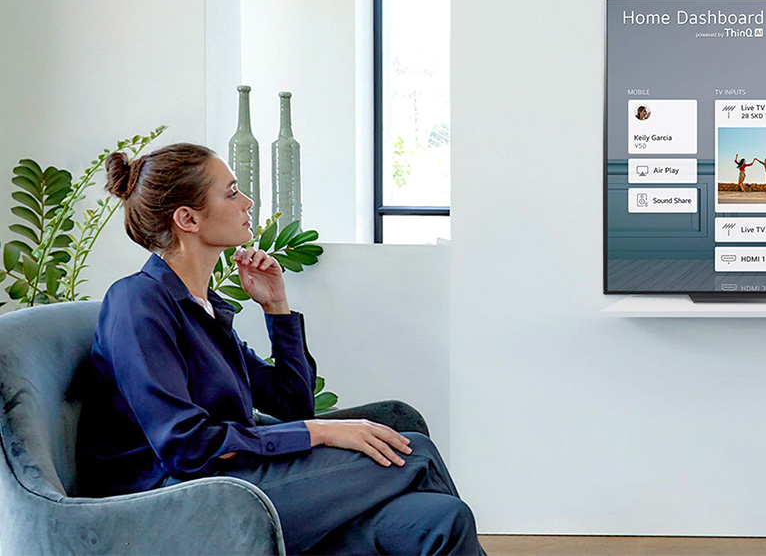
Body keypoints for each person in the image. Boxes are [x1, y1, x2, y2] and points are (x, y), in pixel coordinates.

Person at [76, 143, 485, 555]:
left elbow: (293, 404)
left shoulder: (206, 309)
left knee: (443, 520)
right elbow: (186, 447)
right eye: (232, 192)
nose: (247, 202)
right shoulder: (137, 303)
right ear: (188, 218)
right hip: (181, 502)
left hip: (239, 482)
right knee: (417, 453)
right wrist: (323, 433)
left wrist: (276, 307)